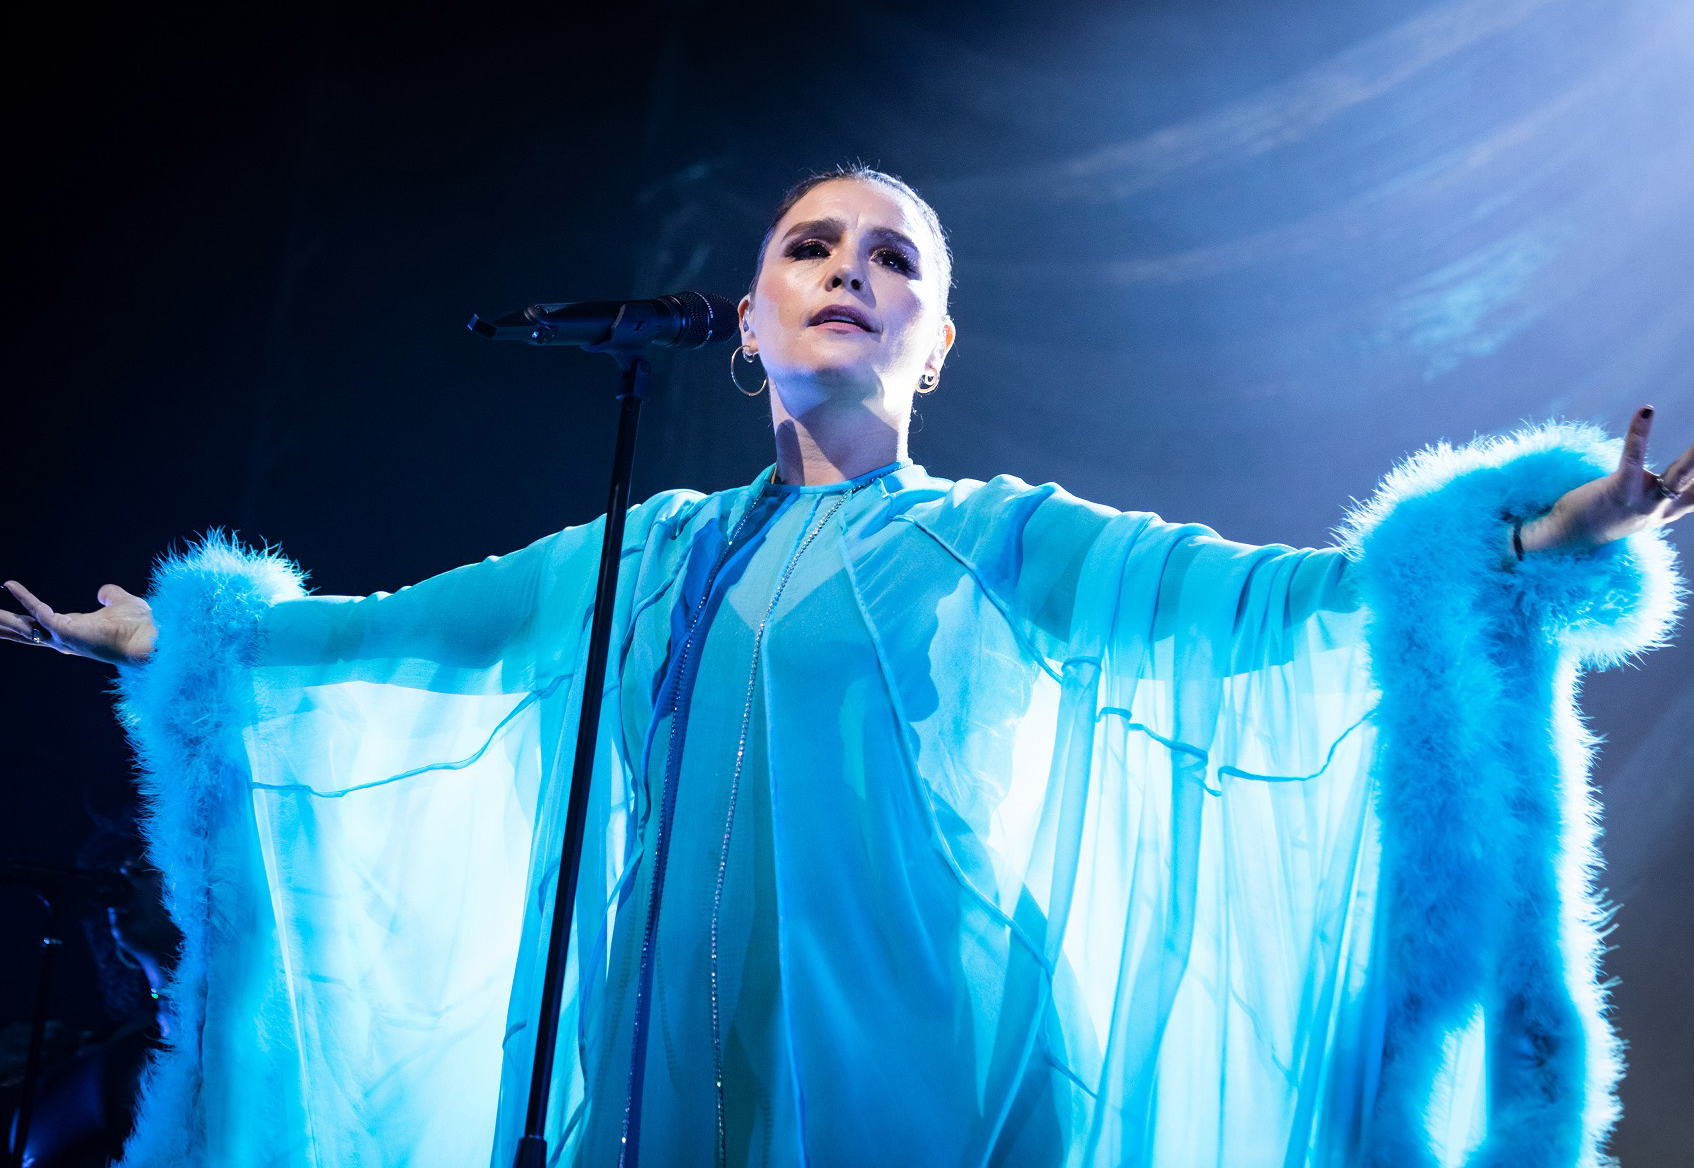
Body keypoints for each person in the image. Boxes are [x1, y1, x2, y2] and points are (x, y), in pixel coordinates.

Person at [3, 166, 1689, 1168]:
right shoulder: (644, 545)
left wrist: (1541, 530)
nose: (848, 274)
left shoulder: (1013, 535)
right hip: (658, 1057)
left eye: (892, 261)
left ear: (934, 340)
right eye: (811, 248)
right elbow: (390, 634)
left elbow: (1297, 603)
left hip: (929, 1060)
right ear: (745, 323)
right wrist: (181, 631)